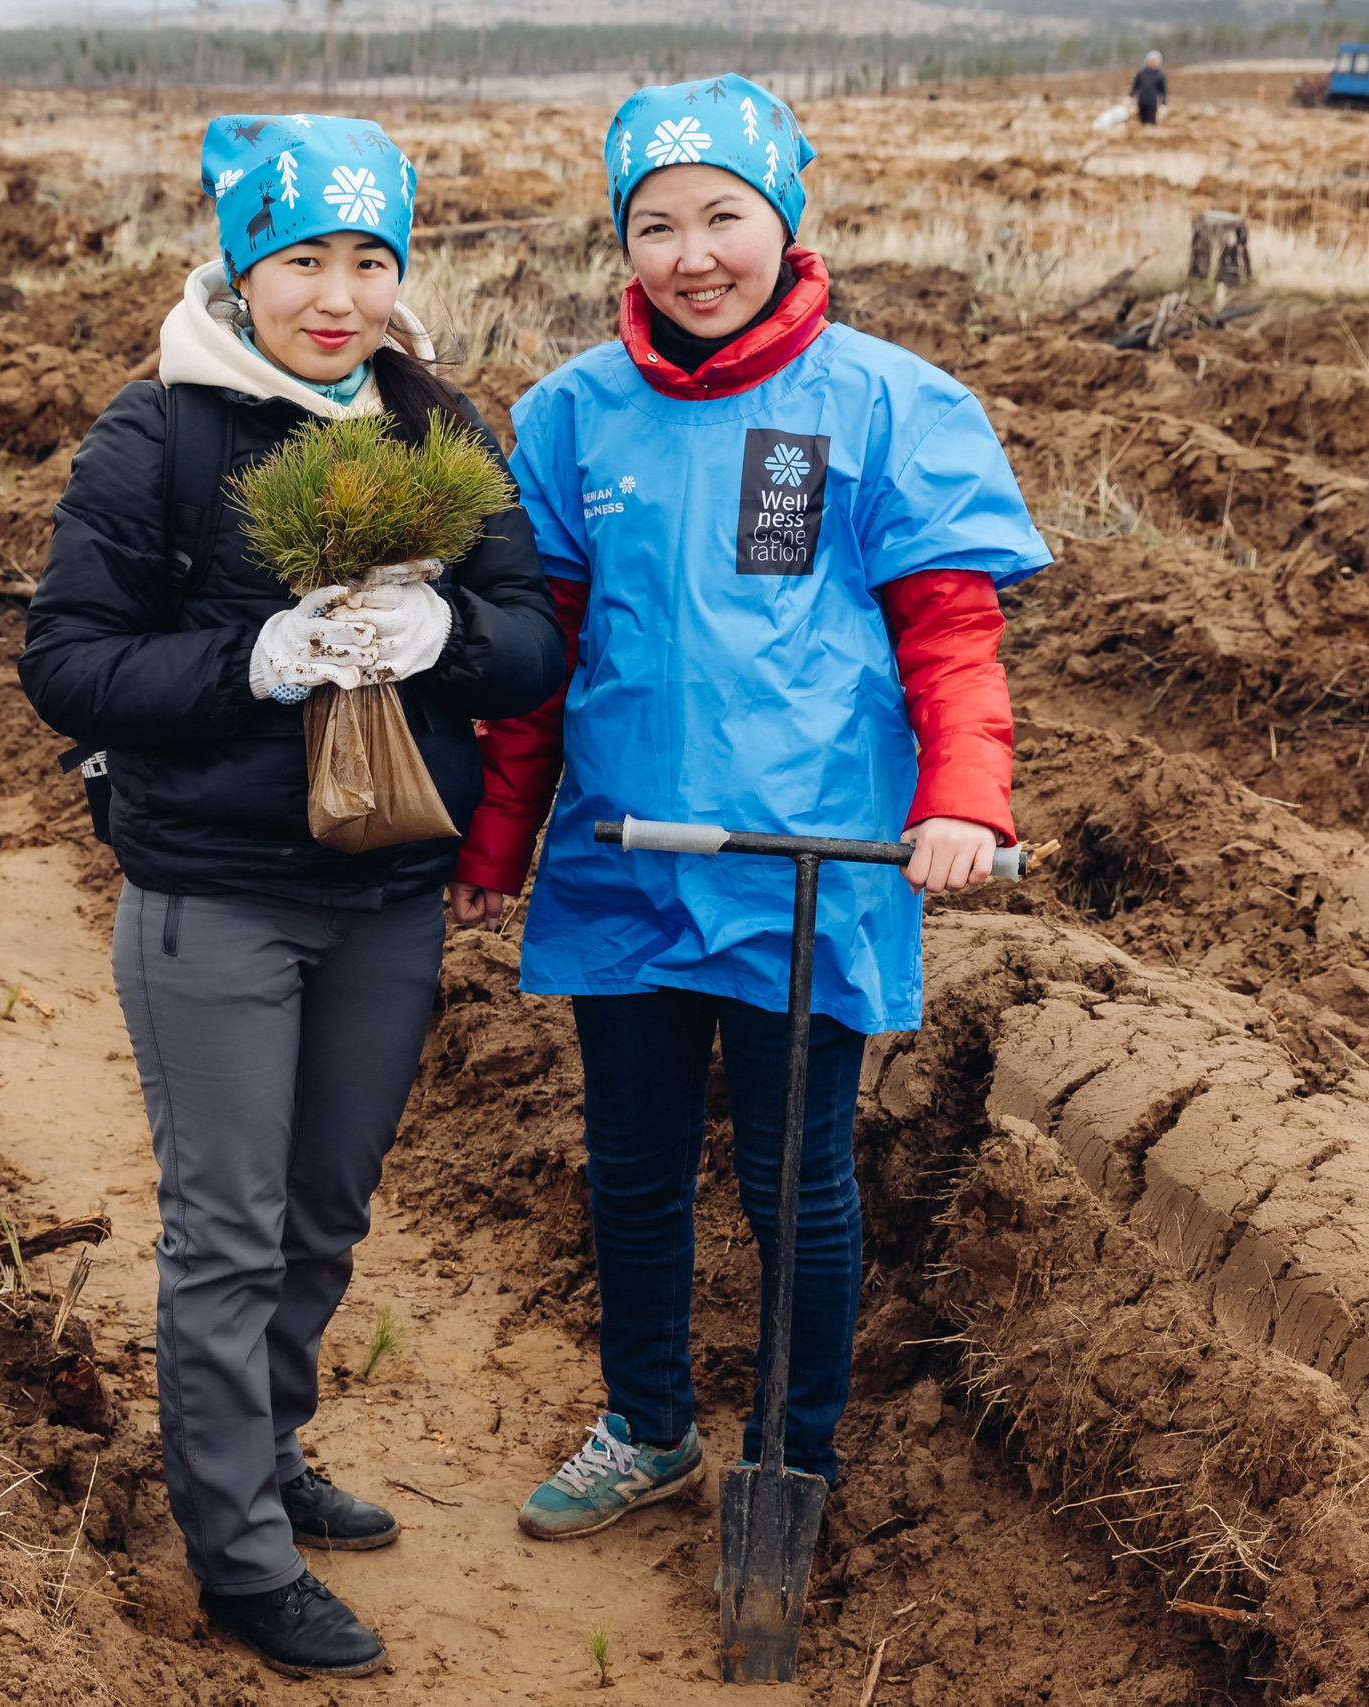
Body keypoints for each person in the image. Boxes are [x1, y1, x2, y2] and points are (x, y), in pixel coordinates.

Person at [448, 73, 1050, 1541]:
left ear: (784, 220)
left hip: (808, 871)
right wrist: (492, 838)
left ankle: (796, 1452)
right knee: (634, 1164)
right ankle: (648, 1423)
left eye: (725, 216)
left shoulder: (884, 403)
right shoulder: (572, 419)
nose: (693, 254)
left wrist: (963, 797)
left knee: (799, 1182)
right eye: (656, 225)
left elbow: (950, 638)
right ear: (622, 241)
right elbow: (538, 668)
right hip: (627, 863)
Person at [18, 114, 562, 1678]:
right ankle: (240, 1553)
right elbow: (67, 665)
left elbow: (533, 645)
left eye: (370, 259)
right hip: (216, 894)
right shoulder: (163, 432)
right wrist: (258, 661)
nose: (338, 294)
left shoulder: (435, 427)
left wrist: (439, 633)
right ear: (242, 265)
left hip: (387, 890)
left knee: (321, 1211)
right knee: (229, 1226)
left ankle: (267, 1445)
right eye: (302, 260)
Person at [1131, 51, 1168, 125]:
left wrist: (1163, 103)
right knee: (1141, 121)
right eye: (1152, 61)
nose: (1154, 63)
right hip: (1142, 101)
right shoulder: (1141, 73)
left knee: (1151, 122)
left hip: (1152, 102)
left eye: (1156, 61)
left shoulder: (1160, 75)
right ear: (1148, 61)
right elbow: (1135, 86)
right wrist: (1130, 96)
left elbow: (1163, 91)